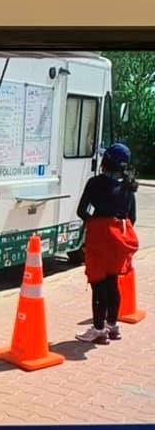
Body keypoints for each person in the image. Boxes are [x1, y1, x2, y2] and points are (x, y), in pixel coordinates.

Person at [75, 142, 139, 344]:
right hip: (118, 240)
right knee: (112, 283)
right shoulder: (128, 187)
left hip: (99, 239)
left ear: (105, 161)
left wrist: (94, 222)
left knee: (97, 284)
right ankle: (113, 325)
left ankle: (98, 329)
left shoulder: (94, 183)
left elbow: (81, 210)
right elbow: (132, 217)